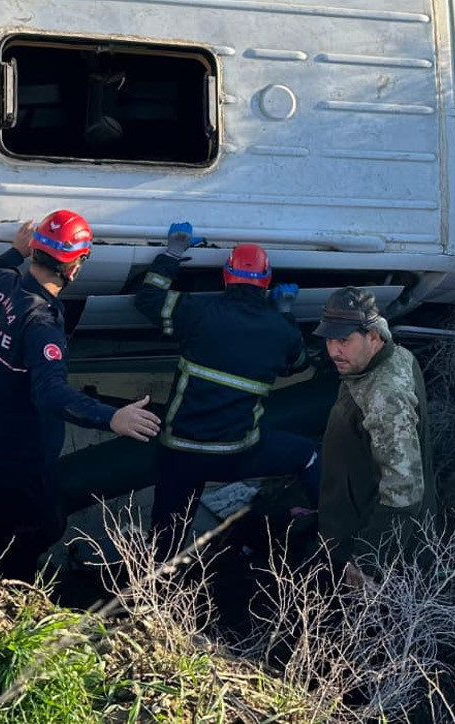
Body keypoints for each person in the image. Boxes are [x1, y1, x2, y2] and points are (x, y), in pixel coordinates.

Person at [0, 209, 161, 581]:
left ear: (34, 250)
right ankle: (11, 580)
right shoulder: (41, 324)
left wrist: (12, 253)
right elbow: (51, 393)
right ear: (75, 267)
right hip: (21, 456)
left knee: (10, 505)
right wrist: (111, 417)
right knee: (43, 527)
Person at [134, 222, 320, 558]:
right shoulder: (281, 331)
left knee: (166, 539)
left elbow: (147, 298)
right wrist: (285, 313)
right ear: (267, 282)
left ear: (226, 276)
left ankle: (155, 591)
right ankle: (332, 537)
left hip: (180, 453)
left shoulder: (198, 313)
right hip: (235, 455)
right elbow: (300, 364)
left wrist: (173, 253)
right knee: (309, 454)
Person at [312, 286, 436, 584]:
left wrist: (368, 561)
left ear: (374, 336)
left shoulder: (385, 399)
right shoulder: (395, 356)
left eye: (344, 340)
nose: (333, 350)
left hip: (375, 551)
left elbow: (403, 492)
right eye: (329, 339)